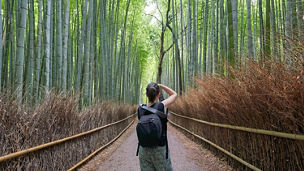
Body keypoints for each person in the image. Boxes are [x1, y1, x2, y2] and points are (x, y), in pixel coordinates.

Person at [137, 83, 177, 171]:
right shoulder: (161, 106)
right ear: (158, 94)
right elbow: (174, 94)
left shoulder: (140, 109)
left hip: (143, 149)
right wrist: (161, 85)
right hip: (160, 149)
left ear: (146, 94)